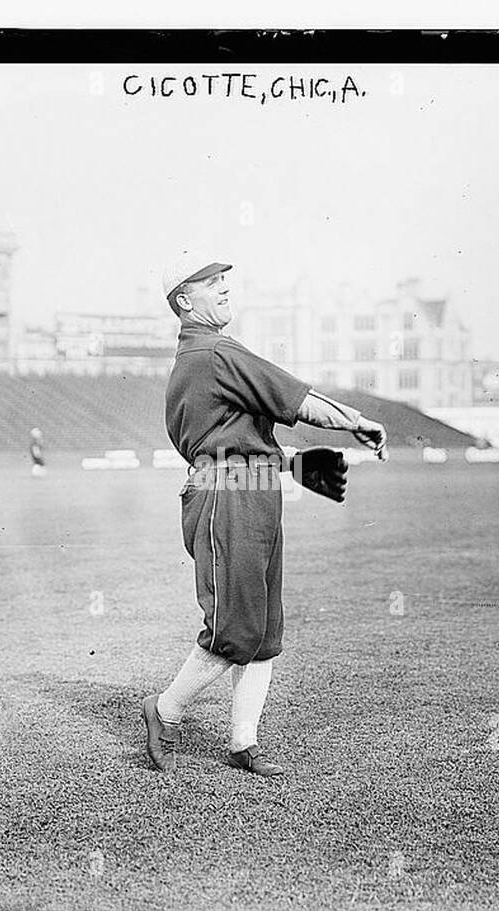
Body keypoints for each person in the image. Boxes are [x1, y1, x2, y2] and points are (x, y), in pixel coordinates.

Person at [141, 253, 387, 776]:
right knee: (235, 624)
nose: (224, 288)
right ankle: (166, 710)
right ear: (185, 301)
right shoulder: (213, 352)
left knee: (265, 626)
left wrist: (286, 464)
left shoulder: (205, 355)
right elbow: (294, 399)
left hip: (251, 487)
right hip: (227, 491)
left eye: (224, 280)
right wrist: (356, 422)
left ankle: (243, 743)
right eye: (211, 283)